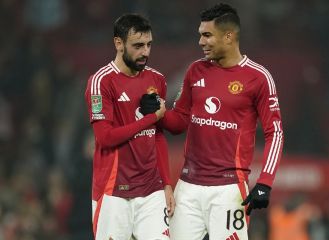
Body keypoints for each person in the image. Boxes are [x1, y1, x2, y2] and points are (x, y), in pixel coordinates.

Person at [140, 3, 284, 240]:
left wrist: (265, 182)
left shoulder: (258, 77)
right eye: (200, 35)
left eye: (207, 35)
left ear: (228, 36)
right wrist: (158, 112)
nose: (201, 42)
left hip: (228, 189)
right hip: (188, 186)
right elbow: (179, 123)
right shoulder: (195, 71)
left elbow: (275, 133)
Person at [84, 14, 175, 240]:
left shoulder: (157, 80)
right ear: (118, 43)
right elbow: (105, 137)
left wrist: (167, 183)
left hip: (151, 192)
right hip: (113, 192)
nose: (145, 52)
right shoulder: (101, 82)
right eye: (138, 46)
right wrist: (149, 118)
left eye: (148, 45)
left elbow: (158, 136)